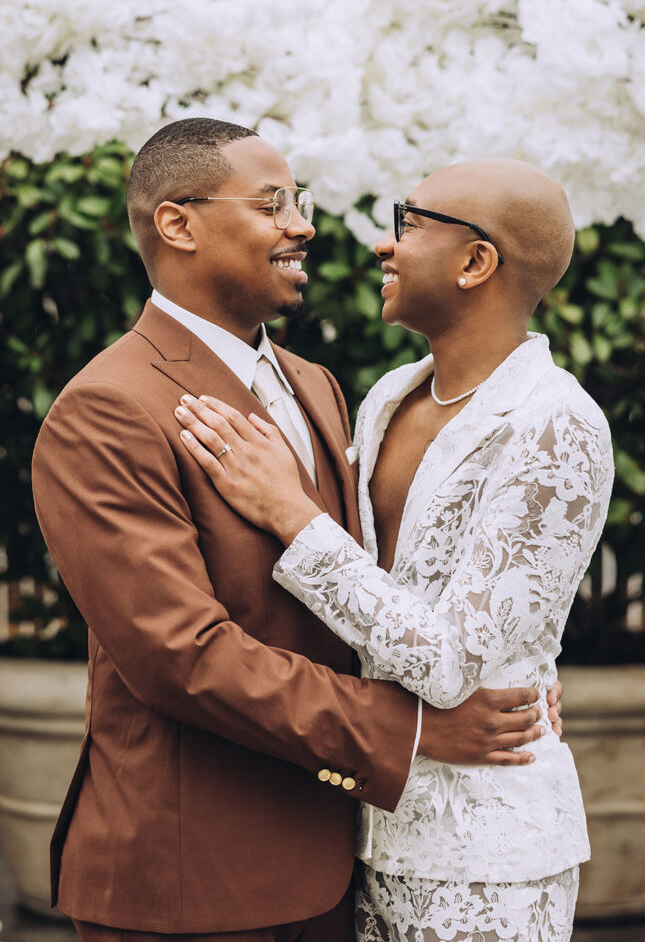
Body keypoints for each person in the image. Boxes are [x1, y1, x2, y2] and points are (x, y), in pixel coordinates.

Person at [31, 121, 560, 942]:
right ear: (179, 224)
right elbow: (183, 656)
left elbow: (359, 580)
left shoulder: (317, 385)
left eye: (298, 202)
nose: (303, 224)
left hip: (331, 859)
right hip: (191, 878)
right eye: (272, 204)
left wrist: (514, 662)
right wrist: (413, 729)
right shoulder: (108, 408)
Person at [173, 157, 614, 942]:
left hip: (488, 857)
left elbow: (450, 661)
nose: (383, 244)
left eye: (408, 223)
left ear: (476, 261)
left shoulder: (556, 423)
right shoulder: (386, 398)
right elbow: (379, 605)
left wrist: (289, 512)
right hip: (359, 831)